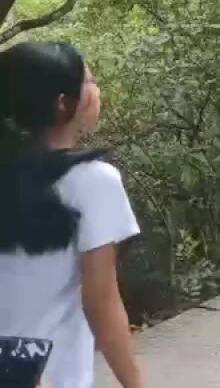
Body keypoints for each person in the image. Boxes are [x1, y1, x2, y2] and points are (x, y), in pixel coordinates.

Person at [0, 42, 143, 388]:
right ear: (63, 104)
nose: (95, 91)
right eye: (88, 82)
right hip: (48, 375)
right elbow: (102, 301)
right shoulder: (93, 181)